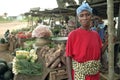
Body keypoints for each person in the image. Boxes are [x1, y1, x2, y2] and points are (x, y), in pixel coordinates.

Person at [65, 2, 108, 80]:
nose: (85, 18)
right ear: (78, 19)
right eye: (81, 15)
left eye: (87, 15)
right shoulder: (73, 35)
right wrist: (70, 78)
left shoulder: (95, 34)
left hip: (94, 74)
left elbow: (99, 53)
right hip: (80, 75)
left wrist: (107, 42)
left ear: (91, 16)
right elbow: (68, 57)